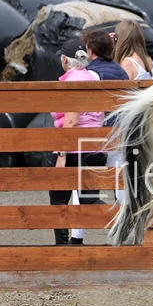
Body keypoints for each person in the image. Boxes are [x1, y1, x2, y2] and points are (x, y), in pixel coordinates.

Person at [50, 38, 107, 245]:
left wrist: (61, 154)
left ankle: (62, 247)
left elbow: (72, 121)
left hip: (75, 149)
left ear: (65, 60)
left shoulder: (70, 82)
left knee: (58, 199)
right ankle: (124, 216)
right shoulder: (93, 78)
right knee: (89, 200)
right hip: (95, 148)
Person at [81, 30, 128, 228]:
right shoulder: (121, 71)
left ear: (91, 51)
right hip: (121, 132)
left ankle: (76, 237)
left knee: (82, 187)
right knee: (121, 184)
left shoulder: (90, 74)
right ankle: (126, 226)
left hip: (100, 134)